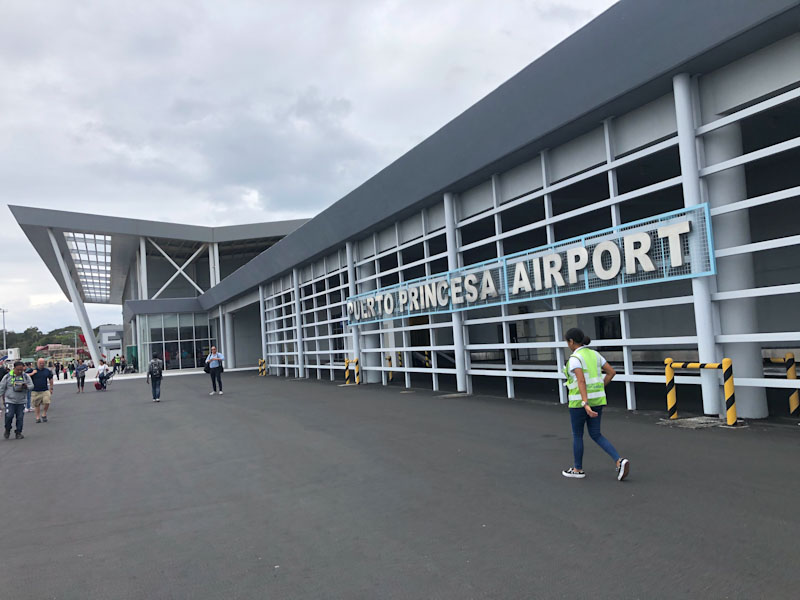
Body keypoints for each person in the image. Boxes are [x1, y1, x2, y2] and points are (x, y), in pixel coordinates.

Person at [561, 328, 630, 481]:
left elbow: (581, 380)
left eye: (567, 342)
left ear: (571, 341)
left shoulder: (575, 358)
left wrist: (585, 402)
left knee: (578, 435)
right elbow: (611, 372)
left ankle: (578, 469)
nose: (567, 345)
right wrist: (599, 387)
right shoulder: (595, 355)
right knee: (596, 434)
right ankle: (619, 461)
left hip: (580, 403)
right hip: (598, 400)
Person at [1, 361, 33, 439]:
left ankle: (18, 432)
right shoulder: (7, 376)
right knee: (9, 415)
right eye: (18, 370)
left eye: (21, 370)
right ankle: (7, 429)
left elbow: (31, 385)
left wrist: (26, 387)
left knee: (20, 417)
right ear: (14, 368)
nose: (19, 371)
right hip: (10, 400)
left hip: (21, 401)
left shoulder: (25, 376)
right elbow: (1, 388)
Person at [30, 358, 54, 424]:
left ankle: (44, 414)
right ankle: (37, 417)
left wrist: (51, 388)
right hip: (35, 390)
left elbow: (51, 379)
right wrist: (32, 373)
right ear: (37, 363)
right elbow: (24, 376)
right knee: (36, 404)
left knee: (47, 401)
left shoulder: (47, 371)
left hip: (45, 389)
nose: (41, 364)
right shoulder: (33, 370)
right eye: (40, 363)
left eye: (43, 363)